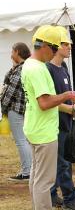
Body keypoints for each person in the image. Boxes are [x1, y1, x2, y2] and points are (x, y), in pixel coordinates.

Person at [21, 25, 75, 210]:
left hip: (35, 128)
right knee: (44, 182)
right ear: (45, 46)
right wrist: (67, 96)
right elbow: (45, 102)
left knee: (37, 176)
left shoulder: (30, 65)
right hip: (43, 132)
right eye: (55, 48)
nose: (55, 53)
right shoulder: (38, 69)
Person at [47, 26, 75, 210]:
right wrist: (71, 109)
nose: (70, 47)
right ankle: (69, 199)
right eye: (66, 44)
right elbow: (49, 102)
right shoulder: (48, 70)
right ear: (57, 46)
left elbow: (67, 94)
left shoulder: (63, 67)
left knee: (65, 160)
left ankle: (55, 193)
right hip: (54, 124)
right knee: (62, 163)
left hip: (65, 122)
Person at [1, 42, 32, 182]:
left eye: (12, 51)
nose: (10, 54)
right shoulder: (22, 67)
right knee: (24, 140)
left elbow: (10, 91)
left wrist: (3, 108)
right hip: (22, 109)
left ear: (17, 52)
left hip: (15, 109)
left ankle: (27, 172)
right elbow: (7, 83)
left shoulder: (20, 69)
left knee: (21, 141)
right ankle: (29, 170)